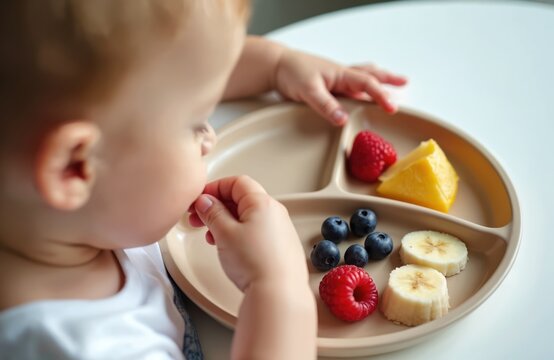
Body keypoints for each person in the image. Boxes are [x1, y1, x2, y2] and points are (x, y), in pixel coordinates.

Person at [0, 1, 407, 359]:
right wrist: (278, 290)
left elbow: (170, 72)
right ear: (75, 168)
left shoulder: (66, 210)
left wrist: (276, 65)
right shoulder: (91, 347)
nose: (209, 137)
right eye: (196, 123)